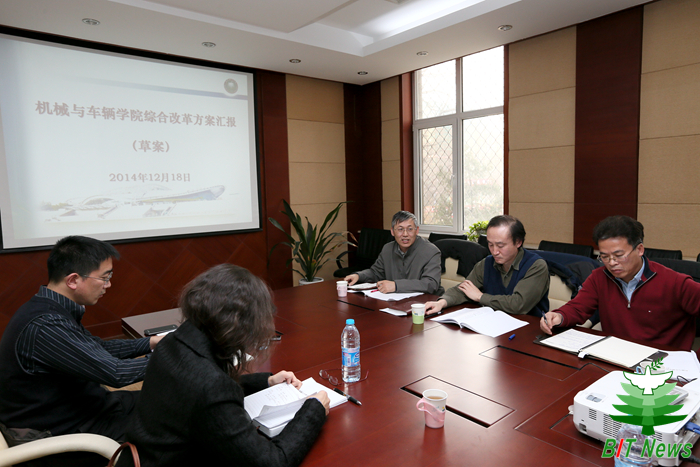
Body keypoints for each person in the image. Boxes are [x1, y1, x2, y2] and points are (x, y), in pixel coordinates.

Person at [117, 264, 330, 467]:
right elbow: (273, 462)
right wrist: (313, 410)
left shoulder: (174, 341)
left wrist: (266, 381)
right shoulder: (212, 388)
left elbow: (199, 387)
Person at [0, 236, 162, 447]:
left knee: (170, 397)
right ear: (73, 280)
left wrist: (151, 343)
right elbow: (116, 373)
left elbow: (97, 347)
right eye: (104, 277)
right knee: (175, 420)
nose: (108, 284)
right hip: (66, 430)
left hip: (84, 407)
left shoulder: (50, 307)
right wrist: (175, 354)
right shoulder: (46, 325)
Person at [540, 216, 700, 350]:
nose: (611, 263)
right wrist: (559, 316)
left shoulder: (676, 283)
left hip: (662, 364)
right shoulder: (599, 278)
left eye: (619, 255)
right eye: (604, 256)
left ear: (640, 249)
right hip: (615, 356)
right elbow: (578, 308)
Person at [424, 215, 549, 316]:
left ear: (518, 242)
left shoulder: (535, 266)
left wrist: (480, 297)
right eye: (490, 245)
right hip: (493, 324)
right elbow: (464, 289)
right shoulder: (487, 263)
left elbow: (518, 304)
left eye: (500, 246)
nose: (494, 251)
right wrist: (441, 302)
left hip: (527, 328)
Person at [345, 211, 442, 295]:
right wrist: (358, 276)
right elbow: (376, 273)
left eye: (410, 229)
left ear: (417, 230)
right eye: (400, 229)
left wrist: (396, 286)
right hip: (396, 301)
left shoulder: (431, 251)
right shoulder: (388, 248)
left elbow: (430, 284)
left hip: (425, 303)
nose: (405, 234)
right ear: (392, 232)